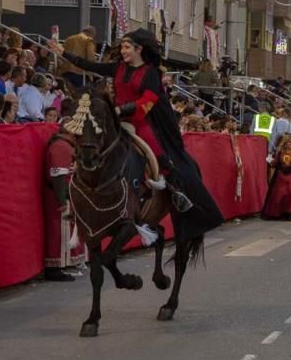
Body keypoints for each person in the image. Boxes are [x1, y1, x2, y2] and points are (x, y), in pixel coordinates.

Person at [49, 31, 225, 245]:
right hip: (116, 120)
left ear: (139, 49)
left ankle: (174, 190)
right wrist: (64, 53)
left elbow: (147, 102)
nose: (122, 52)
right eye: (122, 48)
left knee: (157, 151)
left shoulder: (151, 73)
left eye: (127, 48)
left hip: (140, 121)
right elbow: (90, 66)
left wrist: (120, 110)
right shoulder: (118, 68)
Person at [42, 117, 85, 281]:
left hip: (66, 193)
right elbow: (58, 175)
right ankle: (54, 268)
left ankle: (62, 264)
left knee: (64, 230)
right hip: (59, 196)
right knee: (59, 232)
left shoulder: (67, 145)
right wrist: (61, 200)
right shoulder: (61, 147)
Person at [261, 135, 291, 220]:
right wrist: (270, 161)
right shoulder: (280, 153)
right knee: (279, 194)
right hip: (281, 176)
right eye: (289, 142)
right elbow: (275, 163)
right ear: (285, 143)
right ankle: (280, 213)